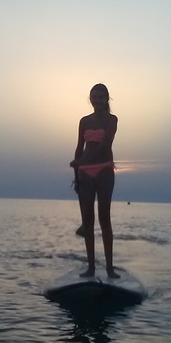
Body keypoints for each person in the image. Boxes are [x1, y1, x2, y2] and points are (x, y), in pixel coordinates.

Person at [70, 83, 119, 278]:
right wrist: (77, 175)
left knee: (104, 219)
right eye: (94, 97)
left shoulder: (112, 120)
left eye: (101, 97)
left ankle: (109, 269)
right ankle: (90, 268)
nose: (97, 100)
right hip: (84, 173)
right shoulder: (84, 121)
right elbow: (79, 147)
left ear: (107, 99)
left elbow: (104, 144)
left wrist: (83, 160)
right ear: (90, 99)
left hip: (104, 169)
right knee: (87, 221)